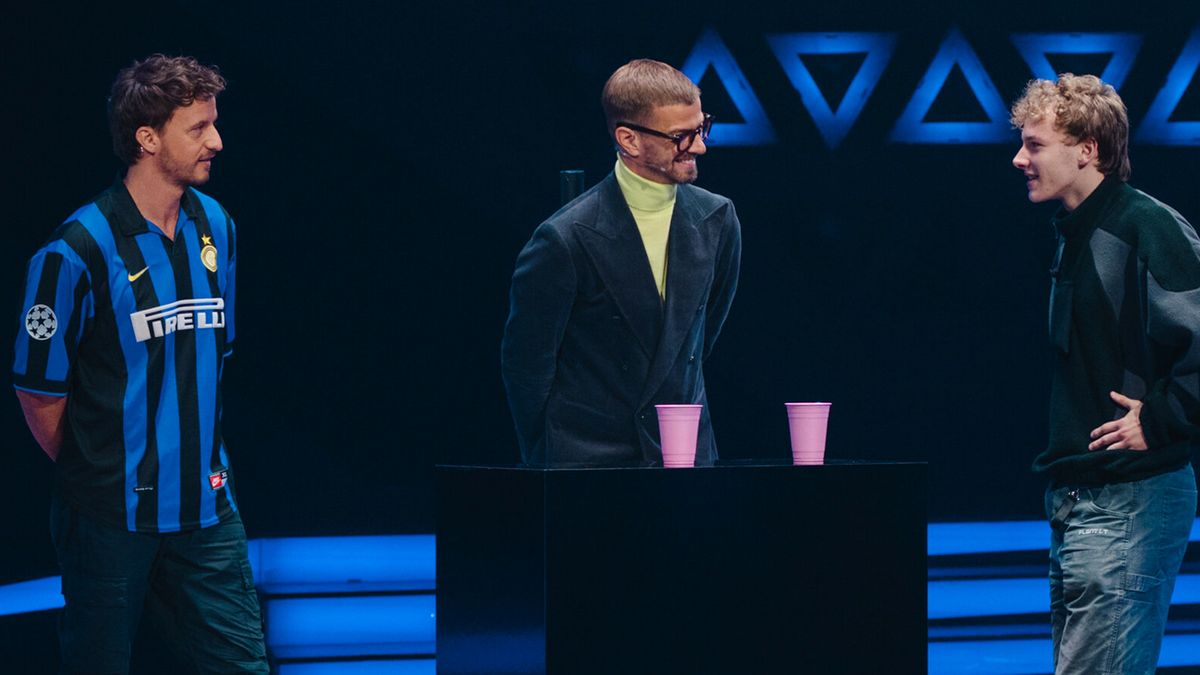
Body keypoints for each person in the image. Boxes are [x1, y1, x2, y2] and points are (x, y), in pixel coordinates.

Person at [12, 54, 268, 672]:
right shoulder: (74, 252)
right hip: (107, 520)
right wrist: (102, 475)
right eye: (199, 128)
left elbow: (215, 352)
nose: (217, 141)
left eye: (215, 123)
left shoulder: (218, 228)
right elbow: (39, 391)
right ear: (147, 139)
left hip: (207, 514)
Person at [1011, 73, 1200, 674]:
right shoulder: (1074, 234)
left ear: (1087, 149)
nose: (1020, 158)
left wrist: (1165, 418)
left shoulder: (1145, 226)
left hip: (1130, 498)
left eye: (1035, 145)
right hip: (1081, 500)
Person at [501, 58, 741, 466]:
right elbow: (527, 363)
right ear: (628, 139)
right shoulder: (565, 237)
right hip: (589, 463)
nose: (700, 146)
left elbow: (696, 340)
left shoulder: (718, 218)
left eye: (702, 128)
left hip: (686, 456)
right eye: (681, 136)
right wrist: (552, 455)